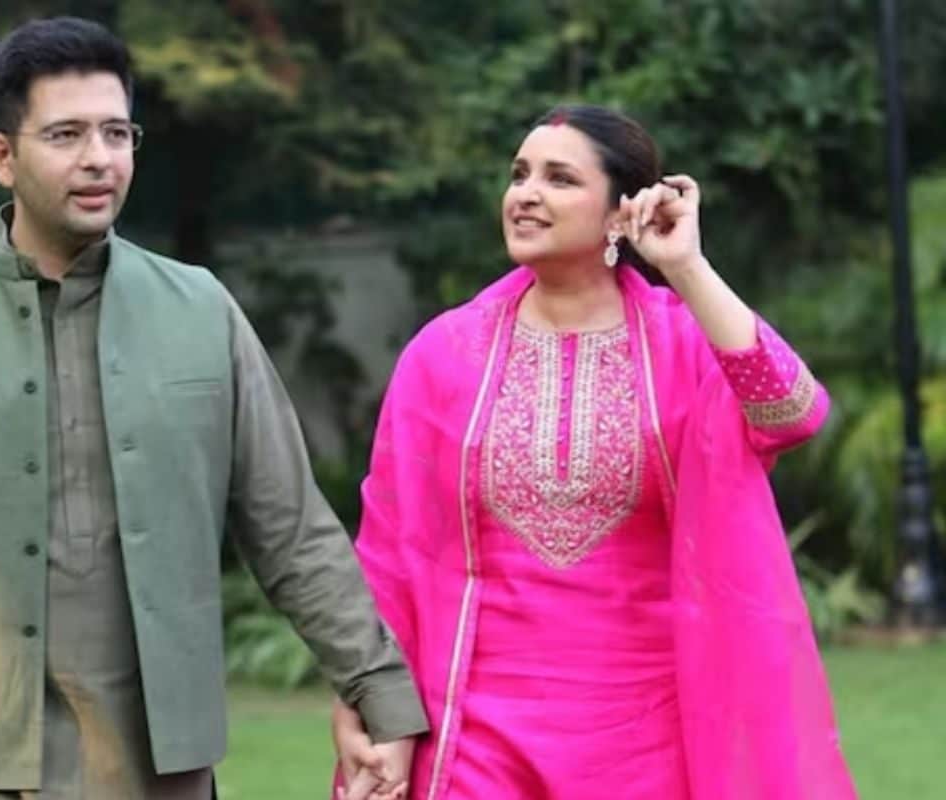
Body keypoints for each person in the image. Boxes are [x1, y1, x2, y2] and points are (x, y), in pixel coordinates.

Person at [0, 16, 426, 800]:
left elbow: (292, 531)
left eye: (117, 132)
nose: (99, 158)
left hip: (158, 767)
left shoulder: (202, 310)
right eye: (66, 134)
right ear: (1, 156)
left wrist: (380, 692)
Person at [331, 105, 858, 799]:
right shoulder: (446, 354)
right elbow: (391, 555)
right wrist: (372, 705)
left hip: (648, 737)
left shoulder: (681, 344)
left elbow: (792, 411)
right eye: (519, 174)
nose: (526, 194)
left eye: (559, 178)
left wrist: (687, 266)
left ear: (619, 213)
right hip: (476, 732)